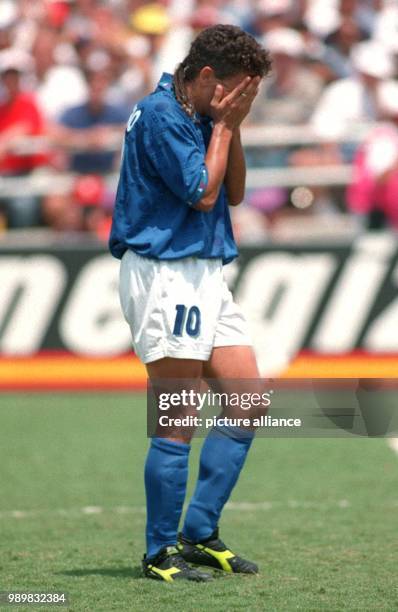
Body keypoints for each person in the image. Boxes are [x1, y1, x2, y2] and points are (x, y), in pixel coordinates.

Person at [109, 24, 271, 582]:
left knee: (247, 403)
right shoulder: (161, 115)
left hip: (204, 272)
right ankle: (158, 553)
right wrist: (223, 126)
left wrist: (232, 126)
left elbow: (234, 192)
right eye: (238, 91)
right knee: (178, 415)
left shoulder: (203, 114)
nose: (241, 101)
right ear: (206, 77)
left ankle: (199, 532)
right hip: (164, 273)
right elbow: (203, 193)